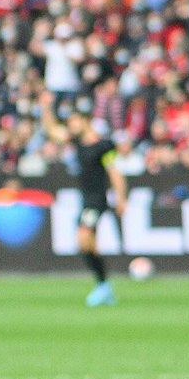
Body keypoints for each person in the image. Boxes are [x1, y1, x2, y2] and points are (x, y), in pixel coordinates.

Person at [39, 94, 127, 307]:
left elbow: (114, 172)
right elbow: (52, 131)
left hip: (97, 200)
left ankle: (103, 286)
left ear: (85, 121)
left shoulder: (103, 146)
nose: (70, 125)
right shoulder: (76, 142)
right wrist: (46, 107)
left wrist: (121, 197)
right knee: (90, 246)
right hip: (85, 199)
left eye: (74, 121)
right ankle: (104, 286)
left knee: (83, 238)